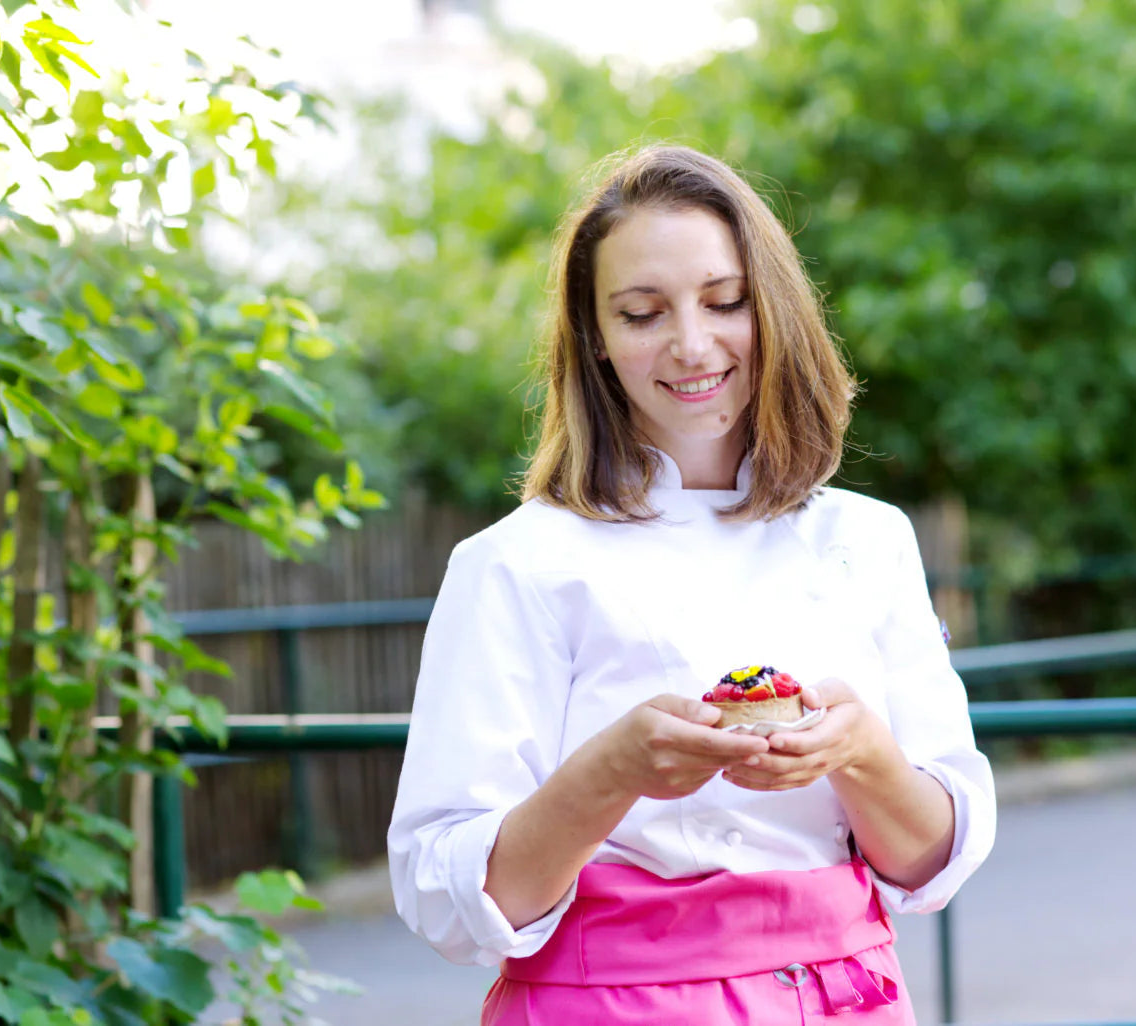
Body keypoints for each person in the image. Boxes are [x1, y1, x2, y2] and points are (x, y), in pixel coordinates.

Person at [387, 145, 995, 1025]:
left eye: (725, 301)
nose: (692, 344)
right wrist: (616, 770)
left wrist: (862, 753)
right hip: (607, 1003)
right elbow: (450, 899)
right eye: (642, 313)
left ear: (773, 306)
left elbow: (929, 859)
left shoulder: (869, 539)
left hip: (844, 997)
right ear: (595, 337)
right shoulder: (517, 563)